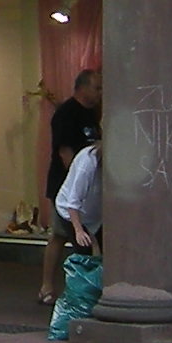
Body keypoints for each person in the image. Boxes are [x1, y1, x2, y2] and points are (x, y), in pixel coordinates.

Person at [40, 65, 101, 313]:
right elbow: (65, 153)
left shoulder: (91, 114)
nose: (100, 93)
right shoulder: (66, 114)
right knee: (62, 234)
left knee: (61, 236)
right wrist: (75, 183)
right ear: (82, 87)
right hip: (66, 185)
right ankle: (50, 286)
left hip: (87, 185)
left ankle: (56, 286)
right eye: (97, 88)